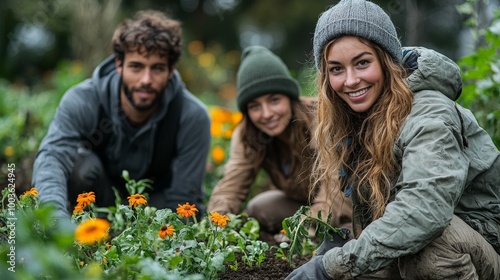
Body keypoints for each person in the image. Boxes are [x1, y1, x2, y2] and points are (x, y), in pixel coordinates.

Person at [287, 0, 500, 279]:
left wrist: (332, 267)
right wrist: (335, 251)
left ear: (387, 61)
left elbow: (423, 211)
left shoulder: (430, 115)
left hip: (477, 248)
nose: (350, 80)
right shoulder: (358, 118)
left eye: (362, 63)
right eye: (336, 69)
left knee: (431, 249)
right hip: (414, 245)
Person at [32, 10, 211, 220]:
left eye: (157, 68)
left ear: (171, 71)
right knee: (79, 164)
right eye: (136, 67)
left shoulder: (191, 116)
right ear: (119, 64)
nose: (146, 79)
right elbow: (53, 157)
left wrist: (162, 240)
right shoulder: (83, 100)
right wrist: (55, 222)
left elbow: (184, 198)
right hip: (95, 201)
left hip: (154, 212)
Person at [207, 46, 353, 235]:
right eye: (255, 106)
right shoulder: (248, 134)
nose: (267, 114)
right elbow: (231, 186)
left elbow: (335, 192)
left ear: (289, 98)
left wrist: (298, 232)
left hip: (344, 203)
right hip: (303, 203)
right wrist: (216, 225)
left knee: (344, 234)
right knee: (260, 207)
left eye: (274, 100)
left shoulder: (322, 120)